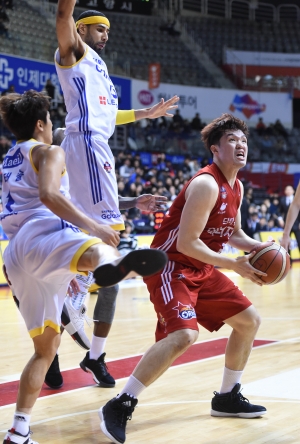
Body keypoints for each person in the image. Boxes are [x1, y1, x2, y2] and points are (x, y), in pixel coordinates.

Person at [0, 90, 167, 444]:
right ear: (42, 125)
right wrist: (95, 226)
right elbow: (49, 196)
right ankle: (110, 265)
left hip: (14, 255)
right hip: (42, 231)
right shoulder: (50, 150)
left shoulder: (8, 159)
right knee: (97, 246)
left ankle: (19, 430)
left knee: (45, 350)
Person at [99, 113, 268, 444]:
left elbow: (232, 234)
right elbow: (186, 242)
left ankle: (227, 397)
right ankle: (121, 403)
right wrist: (233, 266)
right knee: (183, 336)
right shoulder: (206, 183)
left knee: (249, 321)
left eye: (244, 141)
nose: (240, 145)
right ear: (215, 149)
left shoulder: (237, 186)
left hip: (202, 267)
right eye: (232, 140)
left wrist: (261, 247)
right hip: (171, 265)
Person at [53, 0, 179, 389]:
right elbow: (62, 16)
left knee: (111, 254)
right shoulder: (73, 52)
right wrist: (69, 9)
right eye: (99, 28)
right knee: (110, 238)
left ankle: (93, 351)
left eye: (108, 29)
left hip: (97, 145)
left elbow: (110, 114)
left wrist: (146, 115)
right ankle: (74, 290)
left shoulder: (100, 70)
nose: (106, 34)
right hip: (87, 143)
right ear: (83, 30)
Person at [44, 127, 168, 390]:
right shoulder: (54, 174)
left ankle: (95, 357)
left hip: (98, 238)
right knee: (63, 305)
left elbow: (109, 200)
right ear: (59, 147)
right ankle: (50, 354)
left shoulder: (89, 168)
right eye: (66, 137)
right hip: (67, 241)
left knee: (110, 287)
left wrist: (135, 201)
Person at [279, 185, 300, 261]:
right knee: (287, 244)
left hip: (297, 224)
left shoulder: (294, 198)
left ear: (293, 191)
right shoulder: (282, 200)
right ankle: (288, 261)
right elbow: (279, 212)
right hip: (288, 224)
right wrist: (286, 232)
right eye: (286, 189)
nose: (288, 191)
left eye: (289, 189)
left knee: (299, 241)